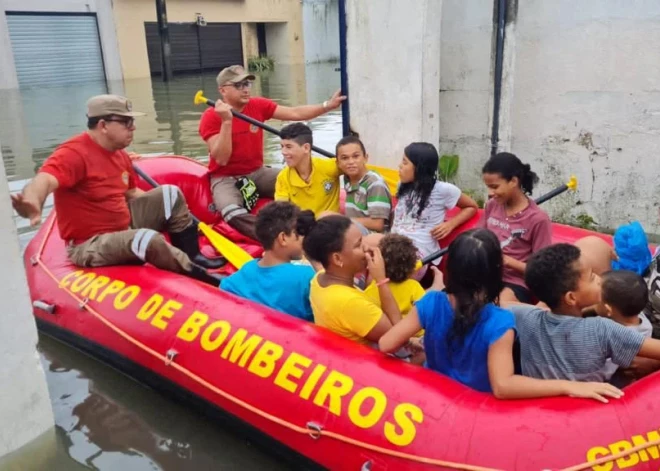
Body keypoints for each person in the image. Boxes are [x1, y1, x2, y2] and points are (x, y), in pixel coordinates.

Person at [380, 230, 625, 402]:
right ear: (496, 272)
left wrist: (414, 342)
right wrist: (570, 386)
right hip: (477, 407)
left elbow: (386, 344)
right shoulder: (499, 321)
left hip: (436, 395)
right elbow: (503, 386)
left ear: (450, 268)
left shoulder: (430, 302)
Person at [11, 95, 224, 285]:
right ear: (103, 125)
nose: (133, 128)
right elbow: (45, 179)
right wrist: (32, 201)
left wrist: (163, 211)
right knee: (147, 239)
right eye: (126, 122)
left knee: (170, 194)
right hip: (90, 243)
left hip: (121, 225)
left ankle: (193, 254)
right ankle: (201, 277)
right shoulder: (73, 153)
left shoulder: (119, 154)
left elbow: (132, 194)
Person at [198, 65, 346, 240]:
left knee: (296, 179)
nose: (245, 89)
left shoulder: (258, 105)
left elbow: (295, 113)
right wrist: (226, 122)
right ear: (223, 90)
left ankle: (310, 226)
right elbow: (221, 159)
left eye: (247, 84)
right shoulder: (210, 116)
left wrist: (327, 105)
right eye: (238, 85)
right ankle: (275, 236)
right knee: (230, 211)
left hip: (257, 172)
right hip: (225, 178)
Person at [509, 243, 660, 385]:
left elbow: (500, 307)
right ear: (571, 298)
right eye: (592, 277)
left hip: (538, 406)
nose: (600, 280)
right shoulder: (603, 330)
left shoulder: (525, 318)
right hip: (592, 406)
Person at [303, 215, 401, 345]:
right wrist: (381, 279)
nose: (366, 248)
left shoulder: (319, 278)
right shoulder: (350, 303)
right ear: (337, 259)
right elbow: (399, 336)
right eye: (358, 244)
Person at [391, 142, 478, 275]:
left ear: (419, 168)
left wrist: (450, 224)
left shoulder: (442, 189)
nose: (400, 166)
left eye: (405, 162)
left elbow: (472, 206)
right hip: (393, 243)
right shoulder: (402, 186)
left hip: (417, 251)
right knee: (369, 243)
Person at [220, 201, 316, 321]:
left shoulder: (247, 269)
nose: (304, 238)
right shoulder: (306, 276)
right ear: (283, 238)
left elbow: (224, 289)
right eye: (300, 232)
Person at [478, 152, 552, 304]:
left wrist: (507, 261)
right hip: (485, 274)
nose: (490, 193)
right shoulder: (492, 205)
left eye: (495, 187)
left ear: (513, 181)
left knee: (501, 304)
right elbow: (478, 238)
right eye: (488, 187)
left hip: (514, 282)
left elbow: (543, 270)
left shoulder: (537, 219)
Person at [364, 234, 443, 337]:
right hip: (414, 334)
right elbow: (426, 310)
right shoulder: (413, 286)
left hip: (387, 333)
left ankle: (435, 287)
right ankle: (436, 288)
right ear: (411, 269)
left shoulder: (374, 287)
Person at [597, 270, 656, 385]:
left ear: (608, 310)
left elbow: (604, 371)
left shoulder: (618, 339)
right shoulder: (640, 317)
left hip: (615, 376)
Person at [274, 123, 340, 217]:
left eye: (288, 147)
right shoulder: (283, 177)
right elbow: (281, 212)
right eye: (282, 146)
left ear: (306, 148)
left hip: (330, 226)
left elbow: (363, 168)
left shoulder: (330, 166)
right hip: (303, 227)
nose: (283, 152)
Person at [336, 136, 392, 234]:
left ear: (365, 158)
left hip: (373, 236)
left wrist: (344, 220)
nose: (351, 162)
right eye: (345, 158)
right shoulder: (347, 179)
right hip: (356, 230)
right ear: (338, 163)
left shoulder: (374, 183)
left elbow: (378, 224)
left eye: (356, 156)